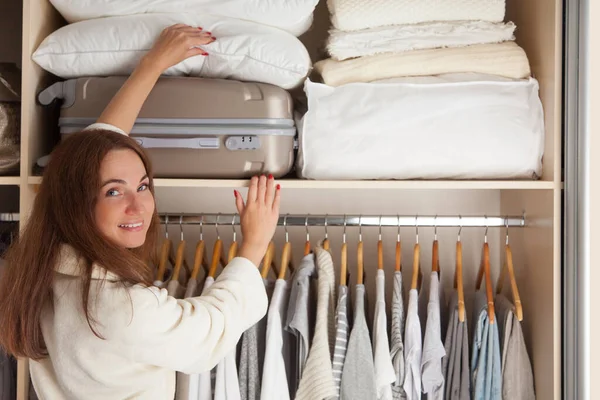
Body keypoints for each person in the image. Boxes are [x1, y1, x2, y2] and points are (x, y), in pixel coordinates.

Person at [0, 24, 281, 399]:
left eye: (144, 185)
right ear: (76, 200)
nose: (138, 206)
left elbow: (95, 152)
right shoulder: (122, 307)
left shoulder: (39, 267)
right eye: (114, 191)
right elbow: (211, 330)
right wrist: (254, 246)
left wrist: (152, 65)